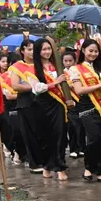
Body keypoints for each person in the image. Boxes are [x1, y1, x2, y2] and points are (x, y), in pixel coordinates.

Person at [17, 39, 69, 180]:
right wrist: (55, 83)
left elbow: (66, 83)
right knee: (45, 137)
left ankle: (59, 169)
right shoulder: (32, 68)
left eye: (49, 49)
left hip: (58, 104)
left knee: (60, 135)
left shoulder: (56, 66)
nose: (47, 52)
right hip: (41, 106)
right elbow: (37, 88)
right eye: (43, 49)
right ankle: (47, 166)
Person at [67, 39, 101, 184]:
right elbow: (79, 90)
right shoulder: (76, 69)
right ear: (83, 51)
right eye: (90, 51)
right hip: (87, 107)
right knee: (94, 138)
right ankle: (89, 168)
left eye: (96, 51)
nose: (93, 54)